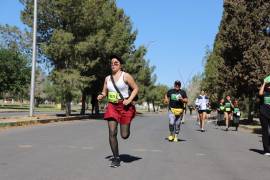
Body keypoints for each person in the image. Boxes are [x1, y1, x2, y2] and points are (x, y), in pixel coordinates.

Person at [97, 55, 139, 167]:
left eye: (116, 63)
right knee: (112, 132)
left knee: (124, 135)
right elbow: (104, 92)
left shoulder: (126, 76)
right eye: (112, 63)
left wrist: (129, 100)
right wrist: (101, 96)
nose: (113, 65)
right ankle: (116, 158)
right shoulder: (107, 78)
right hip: (112, 106)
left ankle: (127, 124)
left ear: (120, 65)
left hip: (124, 106)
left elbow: (135, 88)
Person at [258, 76, 270, 156]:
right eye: (268, 85)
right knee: (265, 131)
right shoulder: (264, 91)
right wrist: (264, 82)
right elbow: (260, 93)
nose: (269, 86)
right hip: (264, 113)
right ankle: (266, 150)